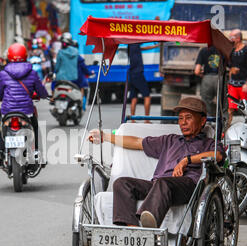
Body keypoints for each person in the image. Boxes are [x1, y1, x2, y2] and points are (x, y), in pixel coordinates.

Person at [88, 97, 225, 228]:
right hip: (157, 187)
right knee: (122, 183)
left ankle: (149, 222)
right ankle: (132, 228)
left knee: (163, 182)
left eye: (188, 118)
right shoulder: (170, 140)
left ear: (202, 121)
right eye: (180, 118)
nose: (183, 123)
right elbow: (136, 142)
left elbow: (217, 155)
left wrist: (186, 160)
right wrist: (104, 136)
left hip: (188, 186)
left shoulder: (209, 143)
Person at [0, 43, 49, 165]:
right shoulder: (32, 72)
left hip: (8, 111)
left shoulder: (3, 73)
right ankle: (37, 152)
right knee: (35, 127)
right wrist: (44, 95)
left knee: (3, 129)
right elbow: (41, 91)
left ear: (9, 56)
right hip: (26, 111)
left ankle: (1, 154)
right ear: (25, 56)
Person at [227, 29, 247, 126]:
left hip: (244, 84)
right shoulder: (231, 50)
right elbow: (229, 66)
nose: (230, 39)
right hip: (233, 84)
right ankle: (227, 128)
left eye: (232, 37)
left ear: (238, 38)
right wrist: (231, 71)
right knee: (231, 108)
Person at [128, 42, 159, 123]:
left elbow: (142, 48)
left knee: (134, 98)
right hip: (138, 74)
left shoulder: (131, 46)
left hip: (132, 74)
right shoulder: (134, 42)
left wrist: (154, 46)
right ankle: (147, 119)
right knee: (147, 96)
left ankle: (132, 119)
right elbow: (144, 38)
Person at [194, 46, 220, 116]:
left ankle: (208, 120)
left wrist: (202, 75)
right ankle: (221, 121)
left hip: (207, 78)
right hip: (220, 79)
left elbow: (197, 71)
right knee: (221, 101)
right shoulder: (222, 50)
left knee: (206, 102)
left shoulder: (204, 50)